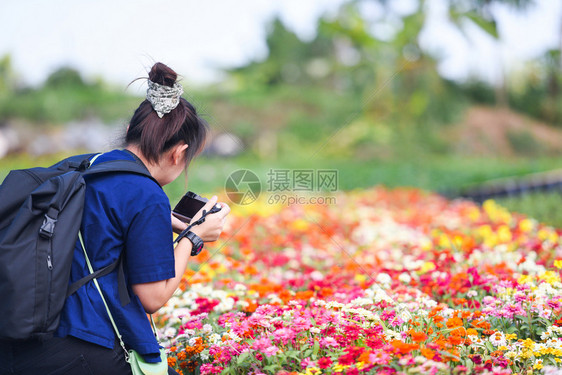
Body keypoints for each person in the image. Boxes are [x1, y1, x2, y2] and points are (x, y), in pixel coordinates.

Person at [0, 62, 230, 375]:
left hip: (21, 340)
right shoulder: (146, 194)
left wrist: (164, 221)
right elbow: (153, 296)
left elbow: (95, 225)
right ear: (179, 153)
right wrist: (193, 238)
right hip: (79, 347)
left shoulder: (84, 165)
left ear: (127, 134)